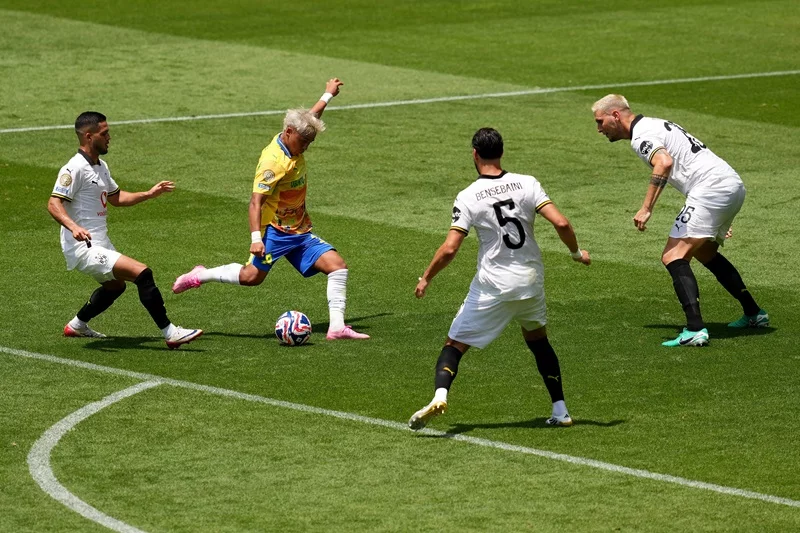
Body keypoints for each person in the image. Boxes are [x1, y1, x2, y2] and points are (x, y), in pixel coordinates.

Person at [408, 128, 591, 431]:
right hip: (530, 283)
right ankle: (560, 410)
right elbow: (561, 222)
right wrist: (575, 253)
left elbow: (451, 247)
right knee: (539, 341)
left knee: (454, 345)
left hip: (493, 286)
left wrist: (426, 277)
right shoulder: (527, 183)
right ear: (502, 152)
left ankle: (440, 396)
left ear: (475, 154)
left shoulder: (468, 196)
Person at [172, 78, 369, 340]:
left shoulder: (297, 134)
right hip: (274, 232)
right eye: (303, 142)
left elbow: (310, 117)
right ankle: (201, 275)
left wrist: (328, 94)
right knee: (252, 277)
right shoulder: (273, 163)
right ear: (288, 132)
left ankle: (336, 327)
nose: (306, 147)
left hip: (298, 230)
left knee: (337, 266)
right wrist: (256, 239)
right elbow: (256, 202)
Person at [591, 94, 769, 347]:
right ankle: (754, 313)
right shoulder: (656, 123)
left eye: (600, 121)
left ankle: (695, 329)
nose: (599, 128)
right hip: (730, 184)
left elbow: (663, 163)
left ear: (616, 115)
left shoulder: (641, 136)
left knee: (673, 256)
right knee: (705, 252)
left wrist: (646, 208)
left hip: (711, 189)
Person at [48, 112, 203, 349]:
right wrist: (74, 227)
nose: (109, 137)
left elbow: (117, 198)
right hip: (83, 247)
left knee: (115, 286)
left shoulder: (100, 166)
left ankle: (77, 325)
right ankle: (171, 333)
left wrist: (149, 194)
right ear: (88, 136)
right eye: (104, 133)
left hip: (101, 242)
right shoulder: (73, 168)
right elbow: (53, 204)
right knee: (142, 273)